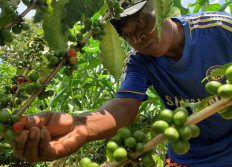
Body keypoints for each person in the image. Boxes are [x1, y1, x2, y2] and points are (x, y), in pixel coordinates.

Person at [11, 0, 232, 166]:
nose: (138, 38)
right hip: (189, 155)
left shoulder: (220, 29)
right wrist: (81, 125)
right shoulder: (138, 62)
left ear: (160, 7)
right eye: (127, 35)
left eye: (140, 21)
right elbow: (124, 106)